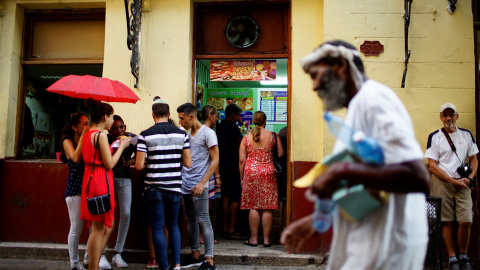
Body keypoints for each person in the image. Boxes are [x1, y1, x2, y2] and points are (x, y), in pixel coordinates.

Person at [280, 40, 431, 270]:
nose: (313, 86)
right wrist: (313, 221)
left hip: (387, 248)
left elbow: (418, 176)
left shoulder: (373, 100)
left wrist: (342, 171)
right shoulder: (356, 109)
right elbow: (370, 178)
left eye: (316, 75)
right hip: (369, 244)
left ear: (340, 64)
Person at [136, 98, 192, 270]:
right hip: (174, 186)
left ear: (153, 115)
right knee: (173, 224)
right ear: (169, 114)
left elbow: (138, 165)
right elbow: (188, 163)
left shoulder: (145, 135)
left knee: (158, 226)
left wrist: (152, 163)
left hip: (153, 187)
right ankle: (176, 263)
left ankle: (162, 265)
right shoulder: (182, 134)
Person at [425, 103, 478, 270]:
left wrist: (470, 178)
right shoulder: (435, 137)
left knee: (465, 221)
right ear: (440, 117)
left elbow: (475, 159)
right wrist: (452, 181)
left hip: (463, 183)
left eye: (451, 114)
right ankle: (453, 258)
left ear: (457, 116)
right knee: (447, 221)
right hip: (442, 183)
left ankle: (464, 255)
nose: (448, 118)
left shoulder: (466, 135)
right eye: (445, 115)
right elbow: (432, 165)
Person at [81, 98, 131, 270]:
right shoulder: (101, 135)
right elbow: (109, 163)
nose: (112, 121)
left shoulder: (87, 133)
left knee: (99, 227)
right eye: (111, 117)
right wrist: (123, 146)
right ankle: (93, 266)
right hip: (101, 179)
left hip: (90, 179)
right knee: (99, 228)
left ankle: (93, 264)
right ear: (104, 116)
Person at [177, 103, 219, 270]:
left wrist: (203, 182)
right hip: (185, 184)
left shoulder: (209, 134)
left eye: (182, 118)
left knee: (204, 220)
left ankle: (209, 259)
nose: (180, 122)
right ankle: (195, 255)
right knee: (191, 221)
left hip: (199, 185)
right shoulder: (187, 135)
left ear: (191, 117)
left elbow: (215, 160)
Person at [239, 111, 284, 247]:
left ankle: (253, 239)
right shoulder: (273, 136)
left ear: (253, 121)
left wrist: (242, 178)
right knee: (267, 207)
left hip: (251, 173)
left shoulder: (246, 138)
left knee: (253, 206)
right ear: (265, 121)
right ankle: (266, 239)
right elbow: (281, 154)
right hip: (268, 172)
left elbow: (242, 160)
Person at [106, 115, 136, 268]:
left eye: (121, 127)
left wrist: (130, 161)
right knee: (106, 214)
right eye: (115, 128)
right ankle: (101, 253)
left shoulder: (131, 138)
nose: (119, 131)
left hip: (125, 178)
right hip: (108, 178)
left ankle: (118, 251)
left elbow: (142, 151)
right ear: (110, 129)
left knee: (126, 213)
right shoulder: (105, 139)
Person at [60, 113, 89, 270]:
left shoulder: (85, 140)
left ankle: (87, 259)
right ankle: (74, 264)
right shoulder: (67, 142)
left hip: (87, 189)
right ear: (74, 127)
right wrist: (84, 136)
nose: (87, 126)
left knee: (93, 227)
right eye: (84, 124)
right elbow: (76, 158)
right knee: (76, 227)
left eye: (87, 123)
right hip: (74, 190)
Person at [216, 104, 245, 240]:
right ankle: (232, 229)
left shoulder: (220, 126)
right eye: (237, 115)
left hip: (222, 165)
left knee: (225, 197)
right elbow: (242, 142)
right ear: (233, 115)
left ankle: (224, 228)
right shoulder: (232, 127)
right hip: (233, 166)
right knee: (234, 197)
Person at [199, 105, 220, 245]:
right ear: (210, 116)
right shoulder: (209, 133)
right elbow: (214, 158)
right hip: (208, 174)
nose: (217, 118)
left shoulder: (199, 131)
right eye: (216, 115)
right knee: (206, 206)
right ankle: (203, 236)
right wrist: (217, 175)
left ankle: (201, 235)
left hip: (202, 173)